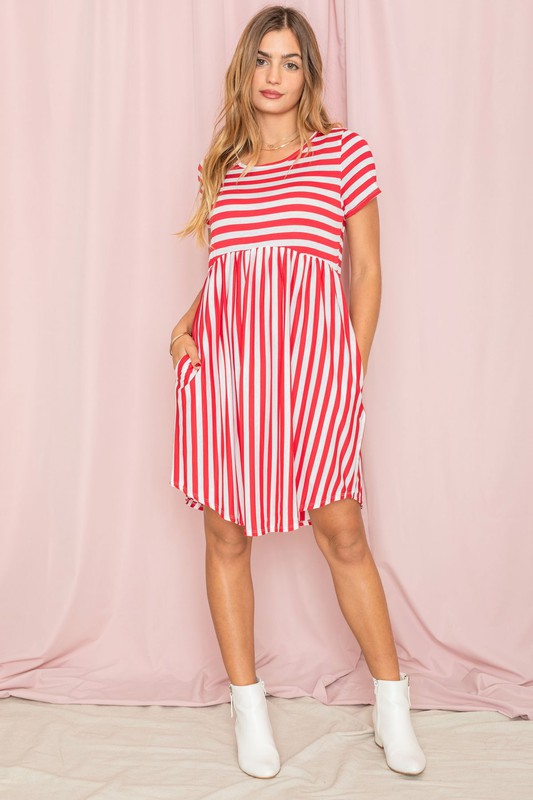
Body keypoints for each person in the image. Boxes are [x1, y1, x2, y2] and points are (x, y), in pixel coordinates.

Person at [169, 4, 426, 781]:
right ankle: (249, 708)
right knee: (225, 536)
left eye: (290, 62)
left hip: (313, 371)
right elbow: (226, 277)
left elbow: (366, 272)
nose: (274, 77)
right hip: (225, 373)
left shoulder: (344, 153)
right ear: (244, 71)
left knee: (342, 530)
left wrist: (349, 368)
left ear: (308, 74)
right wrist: (182, 332)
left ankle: (392, 703)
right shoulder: (223, 166)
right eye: (262, 61)